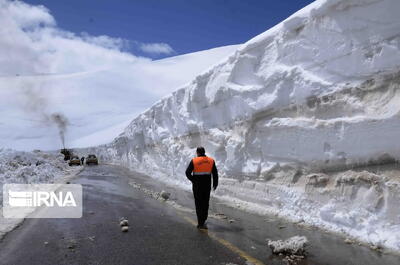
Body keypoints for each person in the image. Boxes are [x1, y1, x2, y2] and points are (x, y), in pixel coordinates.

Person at [185, 147, 218, 229]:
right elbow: (215, 173)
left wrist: (193, 180)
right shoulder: (211, 161)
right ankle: (203, 219)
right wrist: (215, 183)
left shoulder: (194, 161)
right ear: (204, 152)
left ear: (197, 152)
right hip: (207, 186)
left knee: (198, 203)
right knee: (205, 203)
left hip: (197, 186)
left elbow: (187, 172)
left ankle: (200, 223)